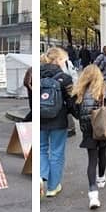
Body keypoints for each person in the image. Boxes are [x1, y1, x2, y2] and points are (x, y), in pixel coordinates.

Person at [68, 65, 106, 210]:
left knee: (92, 159)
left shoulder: (78, 91)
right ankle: (101, 178)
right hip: (102, 127)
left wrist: (83, 117)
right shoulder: (104, 89)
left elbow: (74, 111)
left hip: (87, 130)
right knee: (102, 153)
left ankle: (93, 194)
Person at [39, 47, 73, 198]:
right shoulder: (64, 78)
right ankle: (53, 187)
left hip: (40, 118)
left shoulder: (36, 76)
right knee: (57, 152)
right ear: (58, 60)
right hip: (59, 120)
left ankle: (40, 175)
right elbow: (71, 100)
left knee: (41, 149)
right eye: (64, 61)